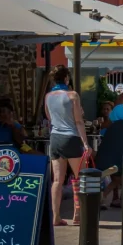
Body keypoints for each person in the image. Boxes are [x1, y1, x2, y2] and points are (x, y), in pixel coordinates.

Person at [44, 67, 92, 226]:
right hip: (71, 137)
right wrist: (86, 143)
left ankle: (56, 216)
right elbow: (78, 121)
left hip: (55, 139)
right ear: (66, 78)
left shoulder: (48, 96)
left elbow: (49, 118)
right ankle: (77, 213)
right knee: (80, 177)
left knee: (57, 180)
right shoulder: (72, 95)